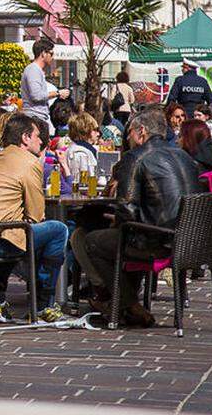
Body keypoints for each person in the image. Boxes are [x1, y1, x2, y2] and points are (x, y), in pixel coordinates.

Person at [70, 109, 204, 327]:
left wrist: (115, 219)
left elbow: (127, 210)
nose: (128, 138)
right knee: (119, 235)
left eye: (129, 132)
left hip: (157, 240)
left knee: (91, 241)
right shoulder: (184, 156)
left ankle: (125, 302)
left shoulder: (137, 157)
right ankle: (122, 302)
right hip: (189, 239)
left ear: (141, 131)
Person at [0, 113, 70, 323]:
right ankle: (42, 305)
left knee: (14, 233)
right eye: (38, 136)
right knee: (57, 230)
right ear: (25, 138)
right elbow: (36, 215)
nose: (41, 141)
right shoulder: (28, 162)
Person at [21, 39, 59, 128]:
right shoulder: (33, 70)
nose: (52, 57)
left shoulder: (36, 70)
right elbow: (36, 96)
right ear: (43, 53)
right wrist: (57, 93)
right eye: (51, 53)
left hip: (38, 116)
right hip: (34, 116)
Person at [64, 112, 100, 184]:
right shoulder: (80, 154)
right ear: (86, 130)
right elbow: (82, 183)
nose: (98, 133)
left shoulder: (79, 149)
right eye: (95, 130)